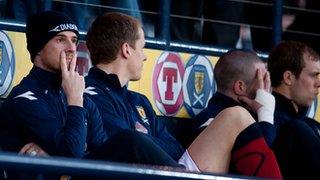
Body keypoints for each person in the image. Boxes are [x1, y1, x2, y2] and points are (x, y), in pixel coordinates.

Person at [85, 12, 282, 178]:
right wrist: (142, 140)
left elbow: (175, 149)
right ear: (127, 50)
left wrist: (145, 140)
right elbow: (123, 147)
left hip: (171, 172)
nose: (145, 55)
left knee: (236, 115)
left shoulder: (139, 100)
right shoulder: (90, 93)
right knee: (235, 115)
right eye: (142, 47)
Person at [0, 11, 185, 170]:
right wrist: (74, 101)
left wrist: (61, 151)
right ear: (39, 48)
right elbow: (73, 153)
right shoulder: (25, 97)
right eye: (60, 40)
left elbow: (99, 150)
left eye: (74, 40)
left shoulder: (79, 95)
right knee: (130, 141)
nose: (71, 48)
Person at [191, 50, 275, 147]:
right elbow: (262, 157)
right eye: (263, 80)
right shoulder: (214, 122)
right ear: (240, 87)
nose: (267, 88)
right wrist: (265, 112)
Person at [268, 40, 320, 178]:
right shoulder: (271, 122)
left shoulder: (310, 125)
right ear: (288, 78)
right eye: (313, 75)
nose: (319, 83)